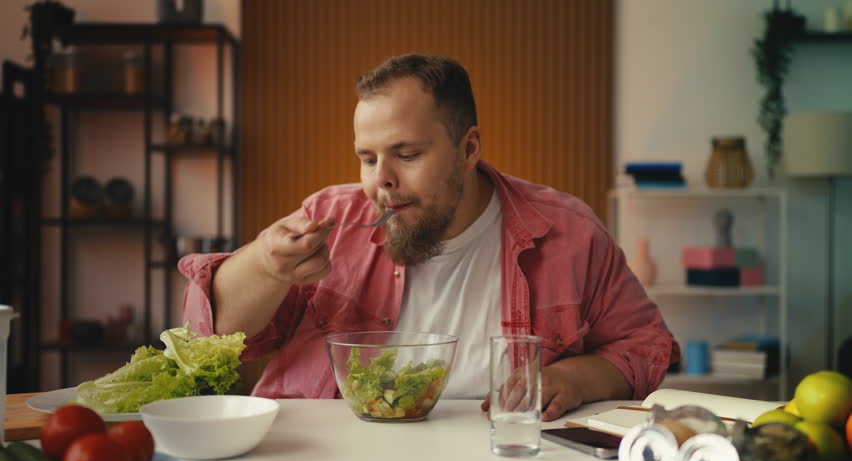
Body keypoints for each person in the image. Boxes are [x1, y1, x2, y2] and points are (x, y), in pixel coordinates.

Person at [179, 54, 681, 421]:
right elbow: (208, 337)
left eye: (407, 154)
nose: (381, 181)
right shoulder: (328, 216)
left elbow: (647, 345)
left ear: (469, 148)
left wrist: (575, 379)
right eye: (368, 158)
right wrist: (266, 267)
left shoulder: (569, 233)